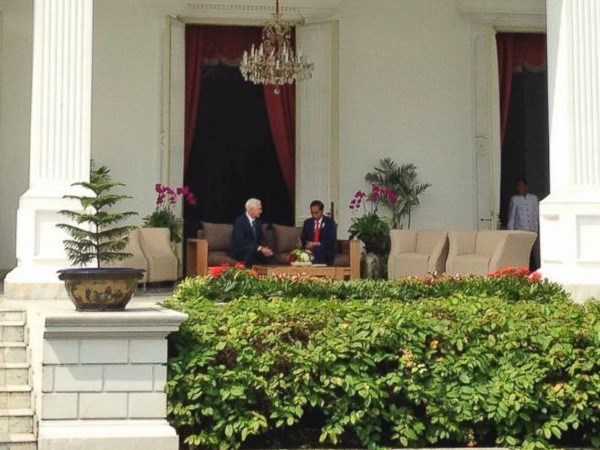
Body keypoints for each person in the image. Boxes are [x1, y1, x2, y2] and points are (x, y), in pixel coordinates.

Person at [229, 198, 274, 267]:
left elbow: (260, 240)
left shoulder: (258, 222)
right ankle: (248, 275)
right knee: (251, 251)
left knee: (270, 254)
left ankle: (273, 275)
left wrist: (265, 249)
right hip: (239, 250)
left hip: (254, 249)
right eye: (259, 209)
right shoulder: (239, 221)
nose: (261, 211)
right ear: (251, 209)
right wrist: (259, 248)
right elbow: (241, 241)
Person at [507, 177, 539, 269]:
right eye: (518, 186)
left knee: (533, 252)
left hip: (532, 230)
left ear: (526, 186)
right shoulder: (515, 199)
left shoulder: (533, 198)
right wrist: (511, 233)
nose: (520, 188)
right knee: (523, 252)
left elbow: (536, 214)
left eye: (521, 186)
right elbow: (512, 217)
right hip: (521, 231)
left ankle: (534, 269)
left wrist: (537, 229)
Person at [300, 200, 336, 265]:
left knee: (319, 249)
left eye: (316, 213)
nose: (314, 215)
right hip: (310, 248)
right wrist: (302, 243)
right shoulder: (307, 222)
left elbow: (331, 240)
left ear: (322, 211)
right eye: (312, 213)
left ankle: (319, 272)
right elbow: (304, 238)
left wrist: (316, 244)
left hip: (325, 248)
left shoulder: (330, 223)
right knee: (301, 253)